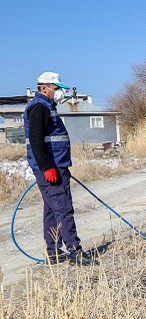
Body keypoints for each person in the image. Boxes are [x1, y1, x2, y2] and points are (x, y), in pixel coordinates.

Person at [24, 72, 94, 266]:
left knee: (52, 210)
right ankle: (74, 251)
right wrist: (48, 168)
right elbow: (37, 140)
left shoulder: (47, 106)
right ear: (44, 87)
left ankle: (54, 252)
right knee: (63, 208)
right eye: (57, 88)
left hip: (57, 166)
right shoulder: (39, 107)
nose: (60, 92)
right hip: (50, 168)